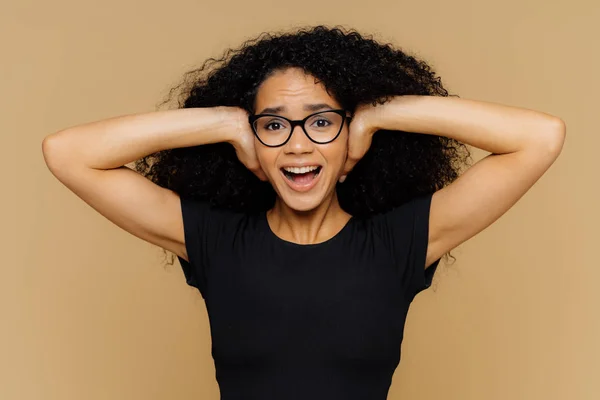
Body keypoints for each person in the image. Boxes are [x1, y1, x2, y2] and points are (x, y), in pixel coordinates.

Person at [42, 25, 566, 400]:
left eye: (320, 123)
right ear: (254, 146)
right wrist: (225, 122)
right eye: (273, 126)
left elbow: (539, 138)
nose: (297, 145)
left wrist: (380, 113)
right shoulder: (215, 240)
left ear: (349, 148)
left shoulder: (399, 243)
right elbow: (68, 153)